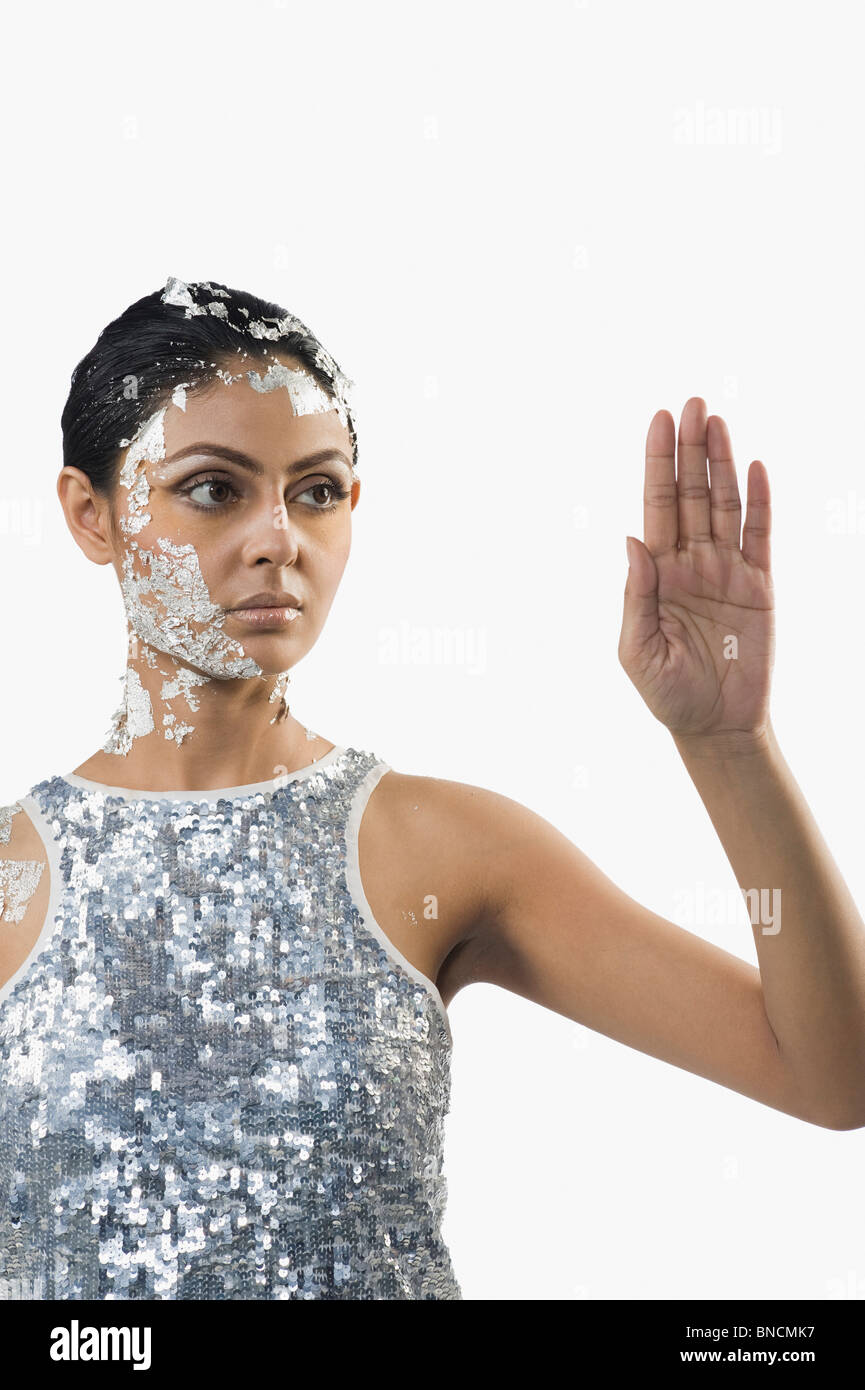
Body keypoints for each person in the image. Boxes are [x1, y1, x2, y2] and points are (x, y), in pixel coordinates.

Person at [1, 278, 864, 1302]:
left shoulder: (438, 846)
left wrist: (728, 742)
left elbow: (829, 1072)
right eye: (214, 487)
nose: (280, 537)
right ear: (91, 514)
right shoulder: (13, 876)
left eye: (316, 491)